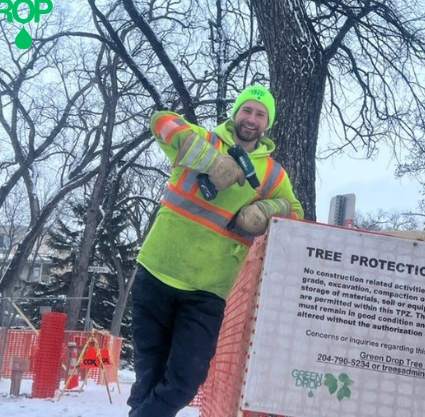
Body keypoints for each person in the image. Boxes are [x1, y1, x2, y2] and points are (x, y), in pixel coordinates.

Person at [128, 85, 303, 417]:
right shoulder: (205, 140)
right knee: (148, 373)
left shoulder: (272, 173)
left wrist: (264, 212)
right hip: (157, 270)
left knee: (186, 379)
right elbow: (160, 121)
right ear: (236, 113)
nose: (252, 119)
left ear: (267, 124)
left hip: (209, 289)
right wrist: (212, 161)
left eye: (260, 114)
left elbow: (296, 211)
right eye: (247, 110)